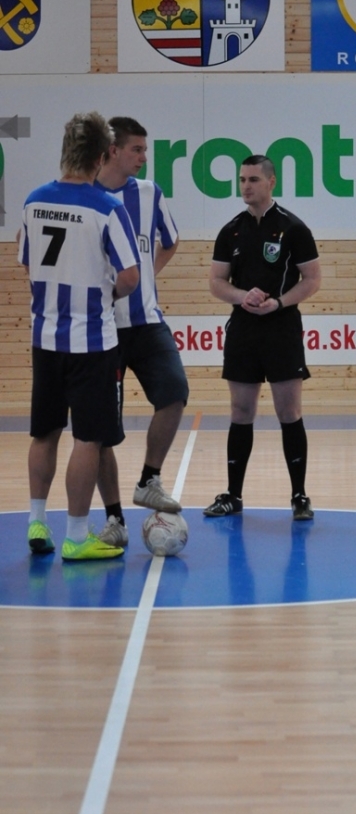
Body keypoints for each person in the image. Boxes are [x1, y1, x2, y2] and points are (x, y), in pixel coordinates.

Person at [19, 111, 140, 560]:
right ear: (104, 154)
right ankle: (75, 535)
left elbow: (27, 262)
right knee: (88, 438)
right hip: (90, 342)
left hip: (45, 337)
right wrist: (106, 293)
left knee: (44, 432)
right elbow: (130, 277)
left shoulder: (34, 201)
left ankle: (36, 520)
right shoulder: (107, 207)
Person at [204, 154, 321, 521]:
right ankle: (233, 495)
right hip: (243, 329)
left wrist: (279, 302)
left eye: (253, 179)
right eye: (242, 180)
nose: (246, 186)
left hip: (281, 328)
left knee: (289, 411)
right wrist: (243, 296)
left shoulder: (293, 228)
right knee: (241, 410)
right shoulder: (231, 230)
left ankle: (299, 496)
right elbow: (216, 282)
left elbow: (312, 280)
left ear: (271, 182)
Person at [94, 117, 190, 548]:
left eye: (145, 150)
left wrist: (144, 277)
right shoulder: (87, 198)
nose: (144, 157)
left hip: (148, 321)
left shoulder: (149, 193)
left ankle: (149, 479)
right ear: (112, 150)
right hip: (102, 330)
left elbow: (171, 240)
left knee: (174, 392)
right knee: (101, 431)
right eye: (137, 149)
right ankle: (114, 519)